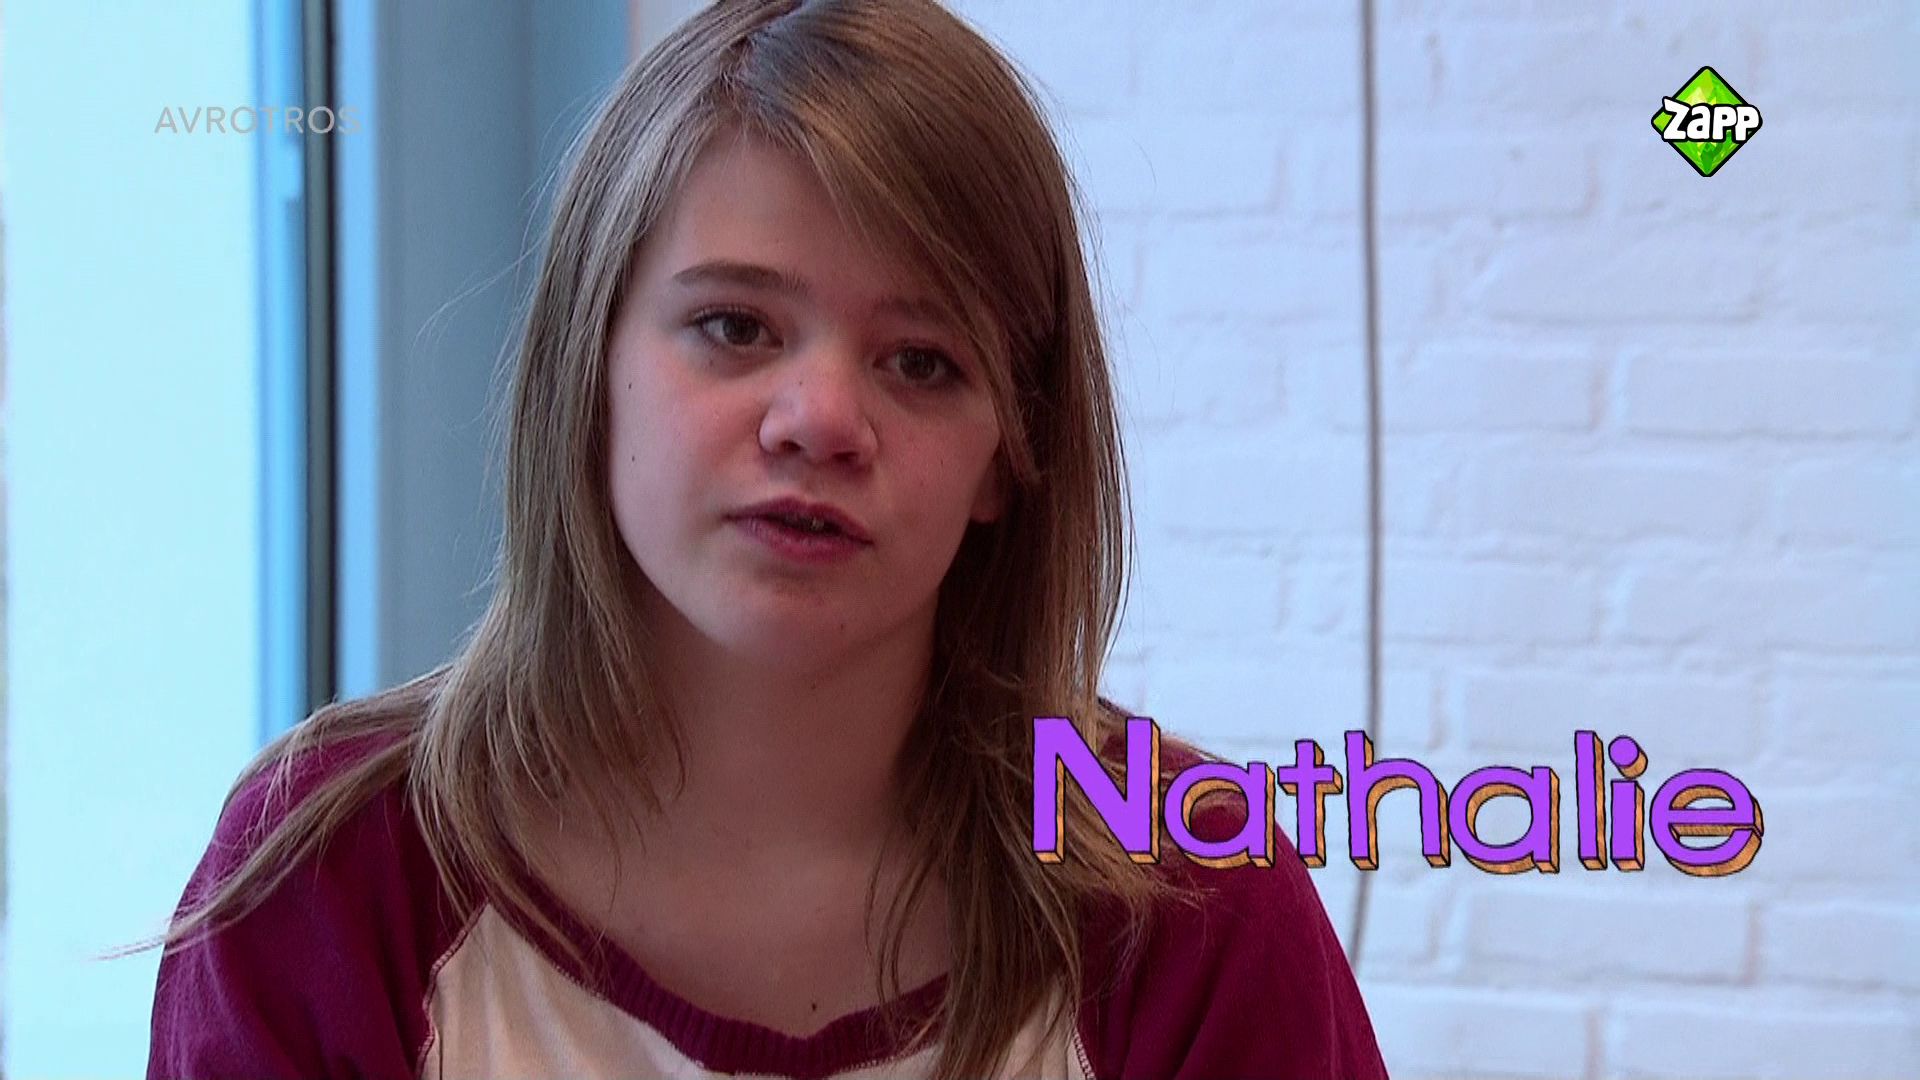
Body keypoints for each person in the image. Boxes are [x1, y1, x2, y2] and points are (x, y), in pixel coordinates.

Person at [147, 1, 1389, 1077]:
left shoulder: (1197, 899)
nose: (822, 420)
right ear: (590, 370)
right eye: (735, 327)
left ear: (1011, 456)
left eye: (922, 361)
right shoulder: (325, 876)